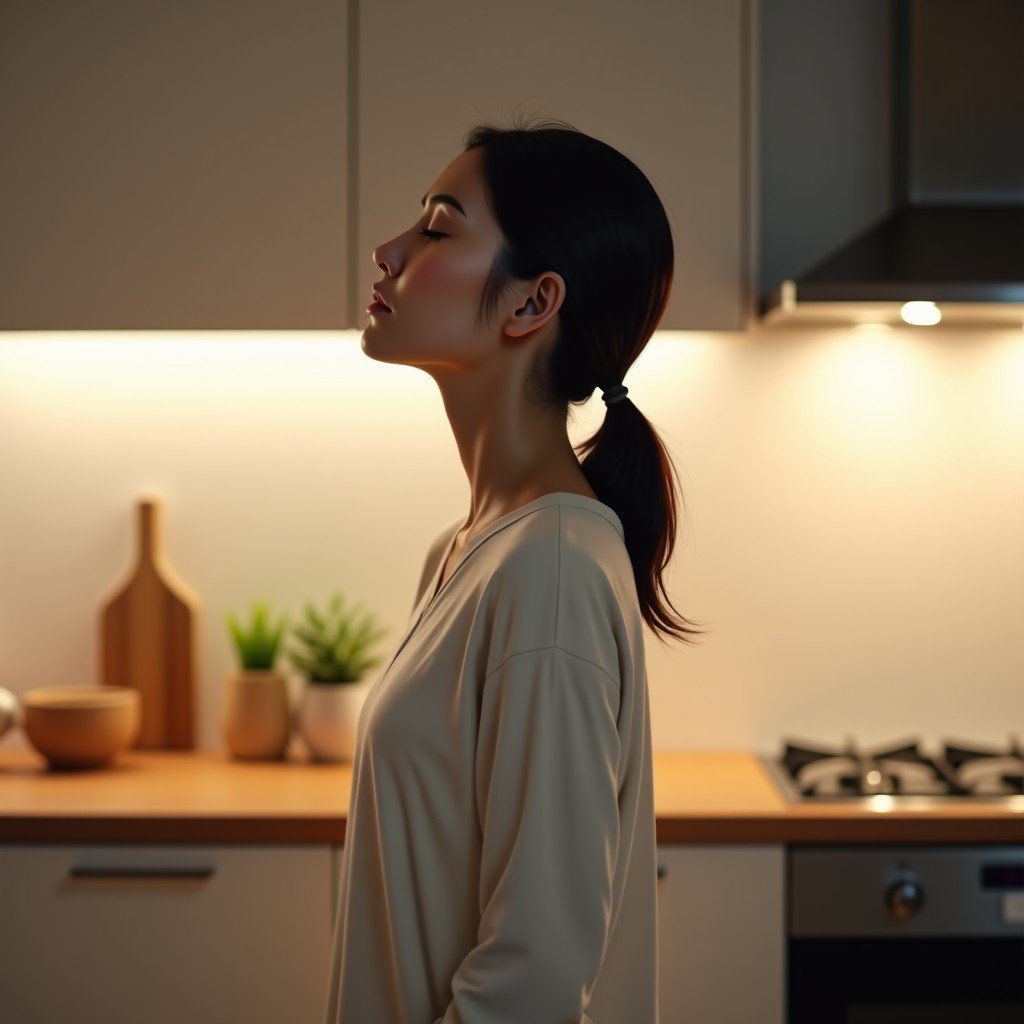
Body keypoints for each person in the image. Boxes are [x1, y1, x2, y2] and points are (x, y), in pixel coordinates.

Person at [323, 112, 708, 1024]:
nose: (388, 249)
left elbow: (532, 980)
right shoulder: (470, 552)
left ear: (534, 303)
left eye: (439, 226)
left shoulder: (552, 571)